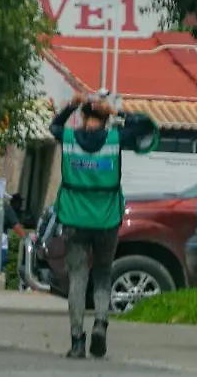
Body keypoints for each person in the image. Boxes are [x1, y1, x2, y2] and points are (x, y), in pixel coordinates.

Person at [50, 91, 160, 359]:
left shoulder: (68, 139)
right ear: (104, 119)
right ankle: (100, 322)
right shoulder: (114, 139)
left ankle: (77, 342)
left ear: (84, 117)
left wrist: (70, 107)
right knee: (102, 274)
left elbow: (54, 126)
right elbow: (146, 127)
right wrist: (115, 111)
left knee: (77, 278)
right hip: (107, 220)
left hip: (75, 220)